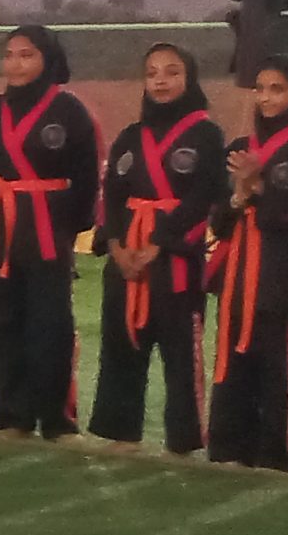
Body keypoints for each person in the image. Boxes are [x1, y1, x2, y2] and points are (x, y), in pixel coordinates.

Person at [90, 43, 226, 453]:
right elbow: (113, 193)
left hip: (174, 258)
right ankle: (120, 431)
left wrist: (159, 244)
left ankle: (183, 440)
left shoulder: (207, 135)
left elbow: (205, 197)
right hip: (127, 256)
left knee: (180, 352)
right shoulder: (132, 136)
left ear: (190, 78)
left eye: (171, 72)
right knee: (121, 342)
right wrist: (116, 245)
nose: (161, 81)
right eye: (152, 73)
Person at [0, 26, 99, 440]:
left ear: (48, 59)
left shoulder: (69, 110)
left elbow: (86, 177)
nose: (15, 64)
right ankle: (12, 415)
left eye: (26, 55)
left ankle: (56, 419)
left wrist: (68, 227)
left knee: (50, 326)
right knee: (1, 325)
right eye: (9, 55)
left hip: (47, 231)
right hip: (0, 231)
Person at [204, 56, 288, 471]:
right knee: (232, 355)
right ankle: (227, 443)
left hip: (281, 273)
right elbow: (218, 221)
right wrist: (239, 195)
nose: (266, 98)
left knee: (275, 362)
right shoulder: (239, 147)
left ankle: (272, 449)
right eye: (260, 88)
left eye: (277, 89)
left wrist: (260, 190)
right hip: (237, 273)